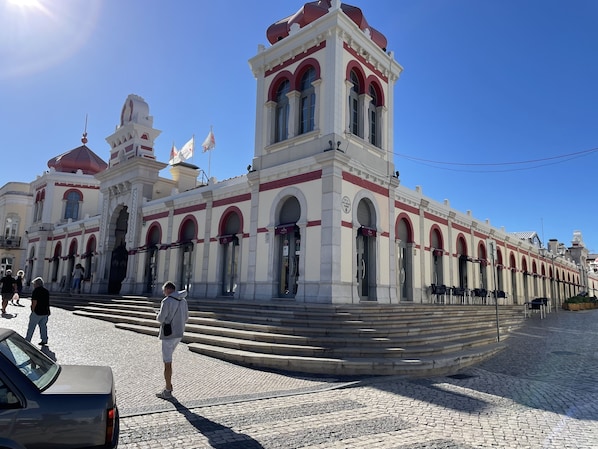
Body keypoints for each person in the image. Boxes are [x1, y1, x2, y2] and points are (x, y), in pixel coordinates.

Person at [155, 281, 189, 399]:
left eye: (164, 290)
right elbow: (186, 318)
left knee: (167, 362)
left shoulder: (167, 301)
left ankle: (168, 389)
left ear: (168, 290)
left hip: (168, 334)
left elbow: (161, 319)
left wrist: (158, 315)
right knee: (168, 360)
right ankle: (167, 387)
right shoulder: (183, 301)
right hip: (179, 333)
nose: (163, 293)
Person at [25, 277, 51, 345]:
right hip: (45, 311)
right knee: (43, 326)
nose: (33, 285)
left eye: (34, 284)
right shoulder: (46, 291)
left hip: (37, 311)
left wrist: (33, 310)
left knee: (31, 327)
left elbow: (34, 302)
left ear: (37, 284)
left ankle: (28, 339)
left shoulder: (36, 291)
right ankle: (44, 339)